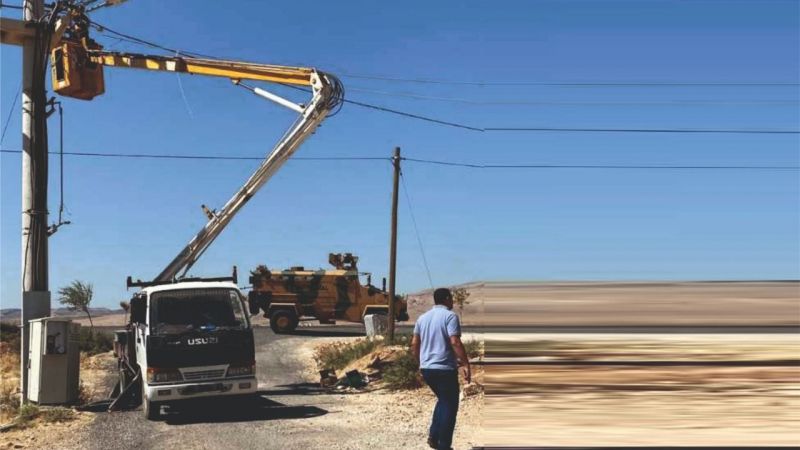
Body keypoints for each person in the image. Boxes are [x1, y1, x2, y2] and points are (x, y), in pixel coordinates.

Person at [412, 287, 471, 450]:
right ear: (446, 299)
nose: (452, 301)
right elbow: (455, 342)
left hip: (427, 368)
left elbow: (414, 344)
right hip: (444, 368)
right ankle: (444, 445)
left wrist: (420, 362)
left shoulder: (422, 318)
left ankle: (434, 435)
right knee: (450, 406)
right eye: (451, 298)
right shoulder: (450, 316)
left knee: (443, 400)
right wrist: (466, 363)